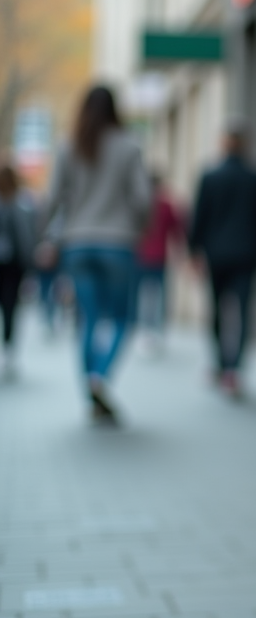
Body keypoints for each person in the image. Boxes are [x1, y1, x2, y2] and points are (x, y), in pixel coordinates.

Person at [42, 85, 151, 424]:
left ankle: (90, 381)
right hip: (117, 243)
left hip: (78, 243)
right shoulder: (129, 147)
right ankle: (99, 376)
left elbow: (51, 199)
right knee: (121, 318)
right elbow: (143, 199)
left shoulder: (68, 145)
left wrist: (45, 238)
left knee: (87, 318)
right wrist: (138, 226)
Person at [189, 121, 256, 399]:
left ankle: (220, 363)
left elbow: (198, 218)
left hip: (216, 256)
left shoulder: (210, 176)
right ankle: (233, 370)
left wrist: (195, 251)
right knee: (243, 311)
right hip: (246, 255)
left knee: (217, 310)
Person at [134, 171, 185, 351]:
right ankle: (156, 331)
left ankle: (144, 330)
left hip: (140, 257)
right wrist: (180, 254)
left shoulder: (139, 204)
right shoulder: (165, 205)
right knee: (159, 296)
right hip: (158, 257)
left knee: (141, 294)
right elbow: (177, 231)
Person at [0, 164, 34, 378]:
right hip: (13, 267)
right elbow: (24, 238)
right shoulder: (19, 206)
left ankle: (8, 351)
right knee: (10, 307)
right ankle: (9, 351)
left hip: (10, 266)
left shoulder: (18, 206)